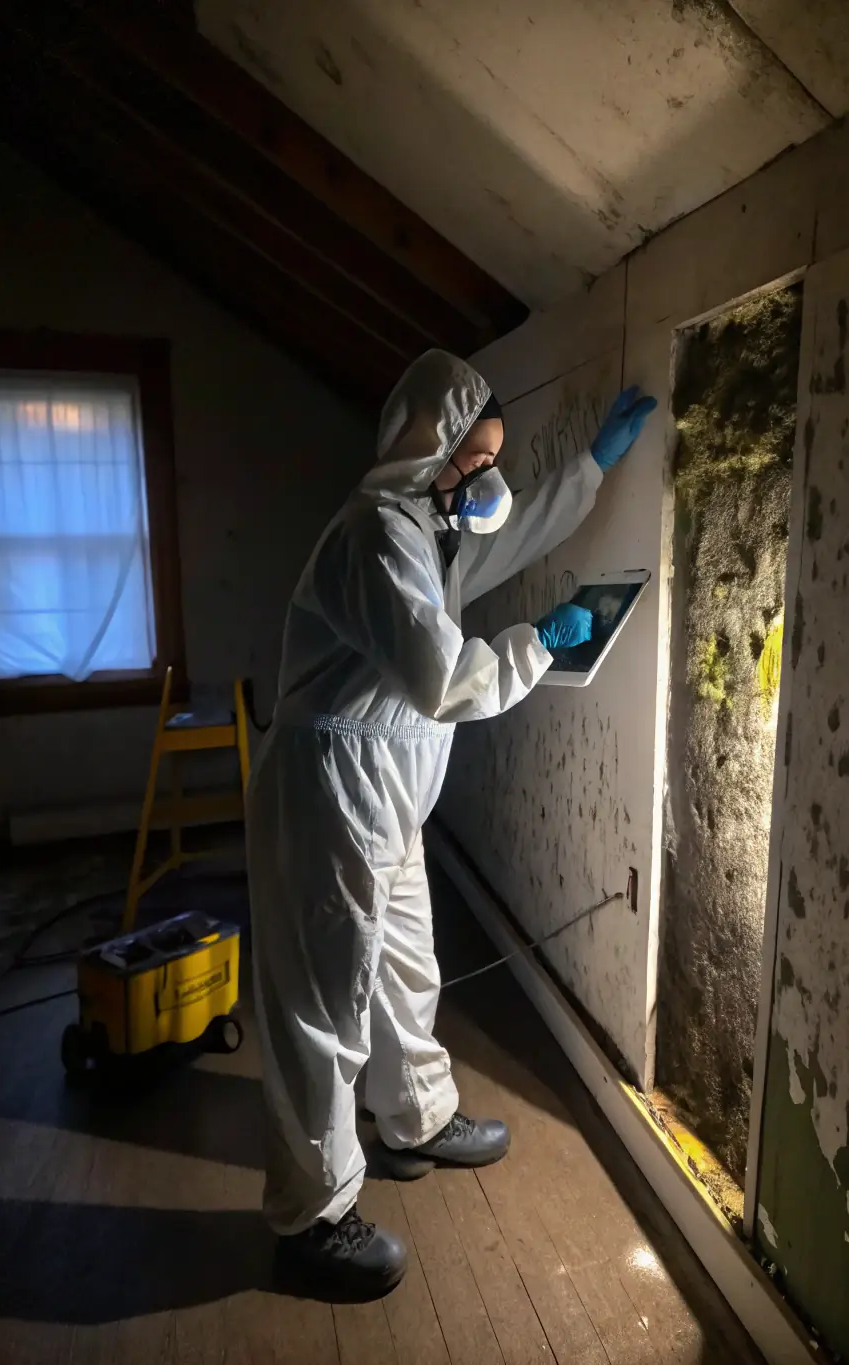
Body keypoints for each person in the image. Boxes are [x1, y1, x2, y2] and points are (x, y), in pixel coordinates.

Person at [247, 349, 655, 1298]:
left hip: (384, 799)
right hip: (331, 798)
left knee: (405, 967)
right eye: (477, 463)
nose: (487, 483)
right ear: (432, 455)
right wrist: (533, 644)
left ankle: (416, 1117)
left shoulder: (432, 530)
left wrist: (594, 464)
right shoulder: (376, 536)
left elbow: (519, 529)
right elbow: (440, 679)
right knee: (324, 1007)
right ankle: (312, 1218)